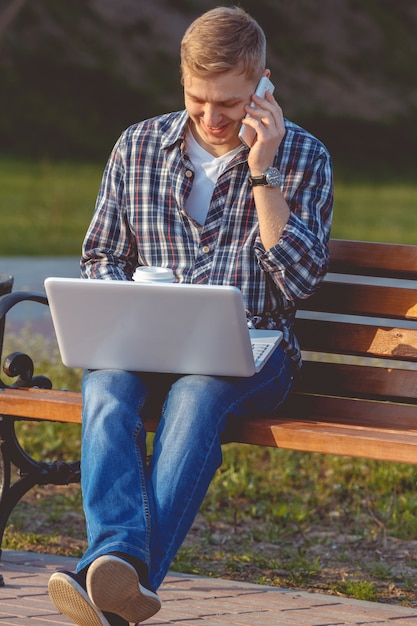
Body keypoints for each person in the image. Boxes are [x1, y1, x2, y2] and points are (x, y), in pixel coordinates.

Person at [48, 5, 333, 625]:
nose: (211, 117)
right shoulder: (138, 146)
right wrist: (122, 306)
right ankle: (121, 580)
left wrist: (264, 173)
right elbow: (101, 255)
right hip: (147, 347)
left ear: (262, 87)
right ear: (182, 82)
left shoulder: (304, 158)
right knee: (105, 384)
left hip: (257, 354)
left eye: (229, 102)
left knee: (200, 393)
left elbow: (299, 286)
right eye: (198, 99)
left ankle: (114, 568)